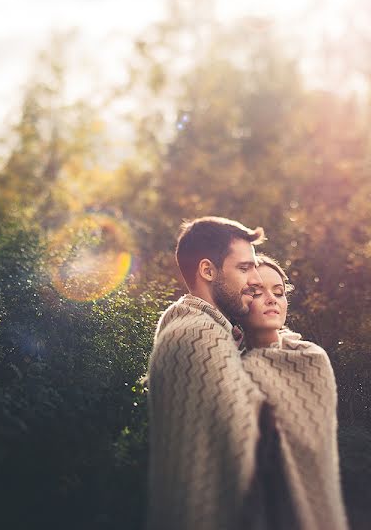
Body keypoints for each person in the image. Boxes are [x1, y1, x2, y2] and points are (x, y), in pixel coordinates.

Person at [145, 216, 269, 530]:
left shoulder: (192, 329)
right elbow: (251, 453)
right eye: (244, 268)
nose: (254, 280)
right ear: (207, 270)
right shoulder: (202, 337)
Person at [239, 255, 350, 530]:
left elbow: (317, 448)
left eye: (278, 292)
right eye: (256, 292)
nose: (271, 299)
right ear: (239, 301)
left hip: (306, 506)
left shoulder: (311, 358)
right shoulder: (229, 364)